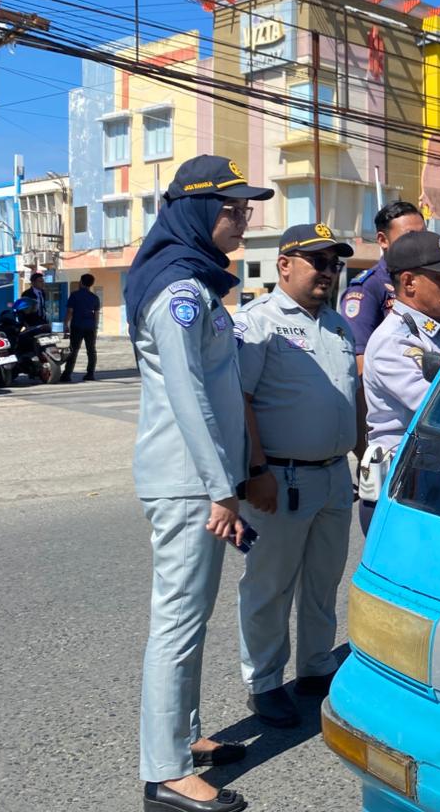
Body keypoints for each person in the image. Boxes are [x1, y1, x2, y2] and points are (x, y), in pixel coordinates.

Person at [125, 154, 272, 812]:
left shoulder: (197, 283)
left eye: (245, 207)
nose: (243, 217)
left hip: (201, 481)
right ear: (195, 211)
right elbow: (189, 400)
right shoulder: (179, 293)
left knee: (192, 617)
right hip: (190, 484)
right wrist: (222, 489)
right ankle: (164, 772)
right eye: (233, 208)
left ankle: (183, 738)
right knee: (177, 623)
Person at [233, 223, 364, 728]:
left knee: (323, 579)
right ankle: (265, 682)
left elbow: (352, 397)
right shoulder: (258, 323)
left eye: (335, 264)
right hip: (279, 478)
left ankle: (315, 667)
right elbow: (239, 399)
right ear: (284, 264)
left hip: (333, 475)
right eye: (319, 262)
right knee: (270, 585)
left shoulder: (336, 325)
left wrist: (362, 454)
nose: (329, 273)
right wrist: (255, 469)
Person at [360, 230, 440, 533]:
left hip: (430, 478)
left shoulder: (436, 333)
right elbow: (438, 410)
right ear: (409, 282)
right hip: (401, 487)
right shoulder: (394, 341)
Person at [341, 199, 425, 373]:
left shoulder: (426, 281)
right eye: (409, 236)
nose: (418, 243)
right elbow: (360, 359)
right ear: (382, 240)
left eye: (423, 235)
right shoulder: (367, 288)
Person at [60, 273, 100, 382]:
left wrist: (65, 324)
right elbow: (96, 314)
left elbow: (70, 311)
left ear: (81, 282)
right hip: (90, 327)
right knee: (91, 350)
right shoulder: (95, 298)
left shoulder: (74, 295)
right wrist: (95, 327)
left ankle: (67, 374)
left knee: (73, 350)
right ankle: (90, 373)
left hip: (77, 326)